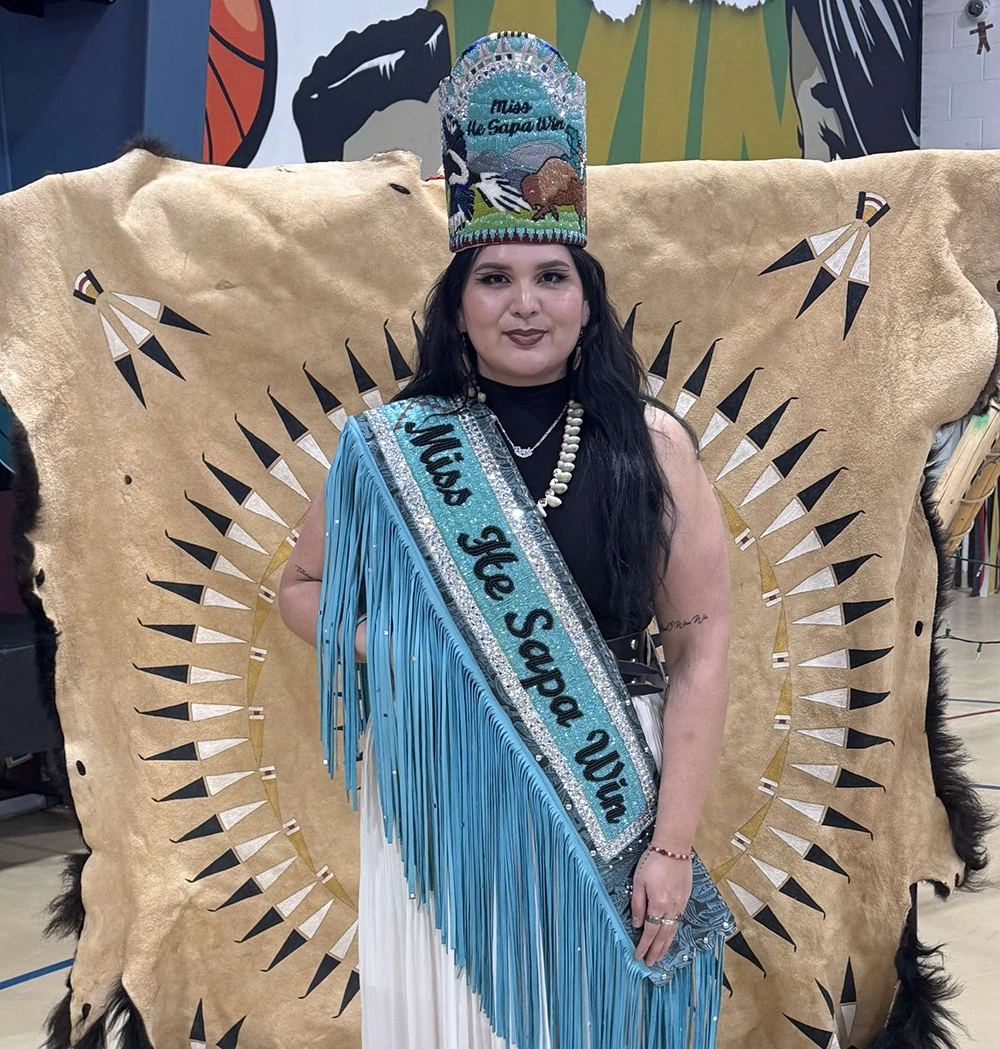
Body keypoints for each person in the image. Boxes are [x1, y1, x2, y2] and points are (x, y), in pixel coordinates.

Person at [279, 32, 734, 1049]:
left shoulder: (653, 445)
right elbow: (302, 587)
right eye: (493, 277)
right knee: (459, 1014)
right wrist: (411, 652)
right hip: (445, 777)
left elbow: (703, 649)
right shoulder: (391, 447)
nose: (523, 303)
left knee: (603, 1014)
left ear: (587, 297)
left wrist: (670, 847)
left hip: (610, 790)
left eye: (549, 276)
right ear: (458, 301)